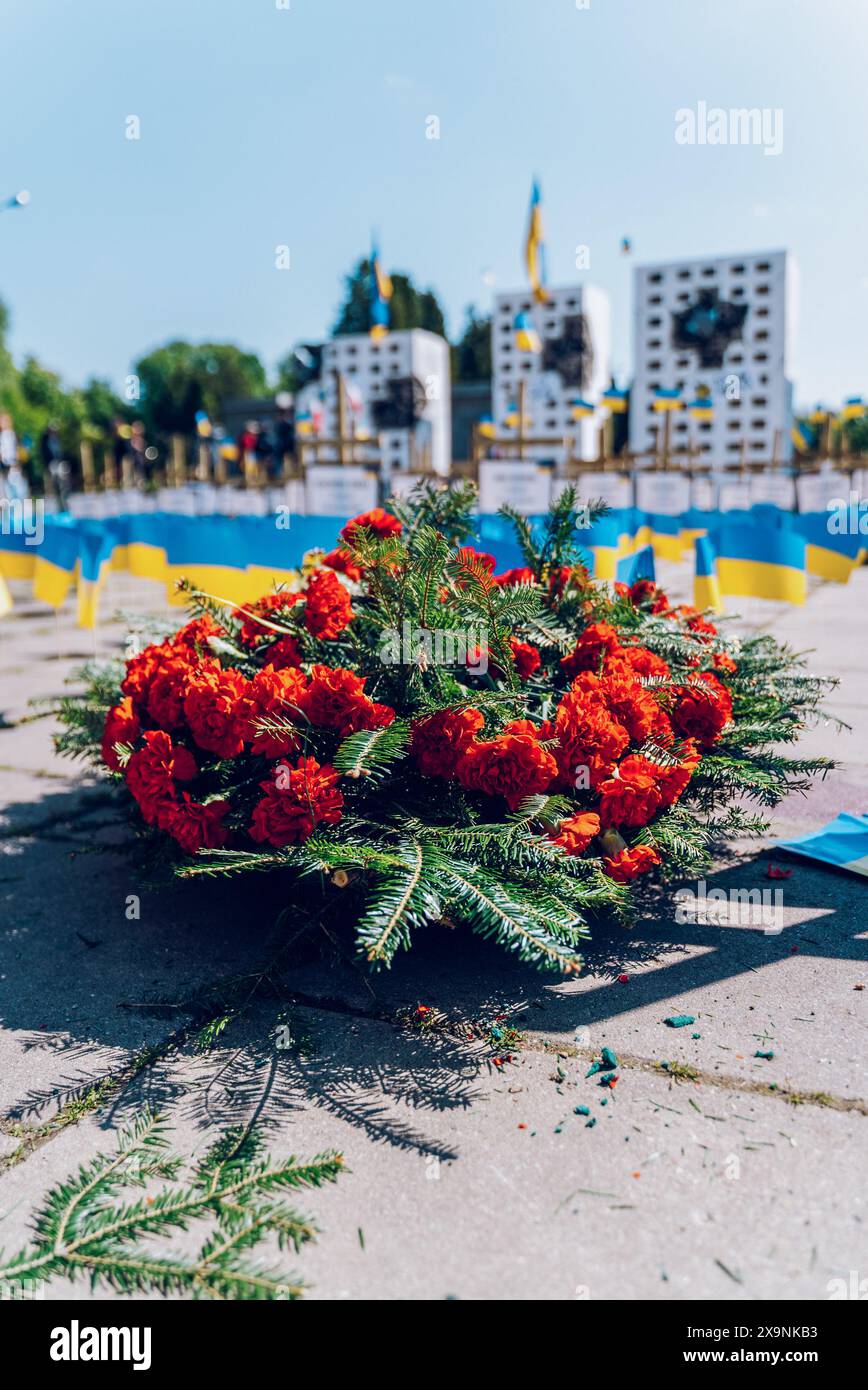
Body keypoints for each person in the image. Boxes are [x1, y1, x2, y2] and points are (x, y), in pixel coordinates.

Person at [40, 422, 70, 510]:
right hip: (52, 464)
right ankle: (60, 505)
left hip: (60, 463)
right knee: (56, 484)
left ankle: (65, 504)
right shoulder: (45, 441)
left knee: (64, 484)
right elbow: (45, 454)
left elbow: (61, 452)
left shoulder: (59, 439)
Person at [0, 413, 25, 500]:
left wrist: (17, 462)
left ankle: (21, 508)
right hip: (4, 466)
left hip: (13, 464)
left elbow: (17, 450)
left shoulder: (12, 434)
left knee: (18, 488)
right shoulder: (2, 435)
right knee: (8, 490)